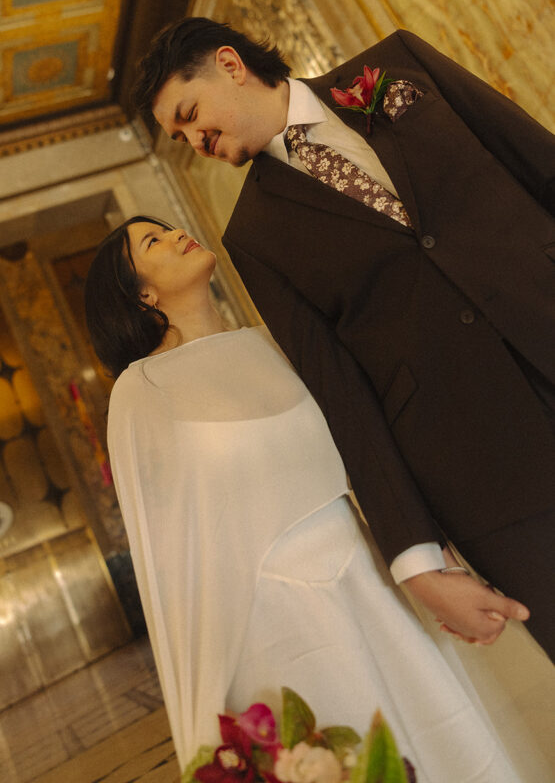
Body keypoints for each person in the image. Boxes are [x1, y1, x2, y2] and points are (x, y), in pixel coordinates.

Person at [130, 18, 555, 659]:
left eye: (191, 114)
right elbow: (341, 393)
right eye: (181, 136)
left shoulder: (398, 67)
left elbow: (539, 165)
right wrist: (416, 559)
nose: (196, 139)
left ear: (230, 63)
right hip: (490, 475)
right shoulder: (253, 237)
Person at [84, 215, 530, 779]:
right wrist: (201, 713)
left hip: (364, 576)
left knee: (444, 742)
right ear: (141, 294)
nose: (176, 235)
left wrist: (428, 556)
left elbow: (359, 458)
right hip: (273, 624)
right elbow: (166, 557)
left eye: (168, 227)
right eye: (153, 242)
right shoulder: (138, 393)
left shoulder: (266, 345)